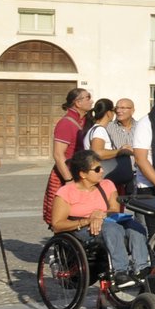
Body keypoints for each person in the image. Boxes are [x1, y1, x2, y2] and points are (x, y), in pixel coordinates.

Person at [50, 149, 150, 283]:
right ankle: (120, 271)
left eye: (101, 167)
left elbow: (114, 208)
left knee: (135, 227)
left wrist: (100, 215)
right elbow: (57, 225)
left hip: (107, 221)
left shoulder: (107, 185)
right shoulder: (66, 192)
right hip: (81, 230)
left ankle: (142, 269)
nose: (102, 171)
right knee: (112, 229)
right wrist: (88, 220)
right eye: (97, 169)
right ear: (83, 174)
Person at [42, 87, 91, 226]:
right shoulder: (66, 123)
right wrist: (68, 180)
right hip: (66, 175)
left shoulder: (83, 121)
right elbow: (58, 155)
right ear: (78, 102)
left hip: (79, 174)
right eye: (88, 98)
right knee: (62, 216)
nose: (91, 101)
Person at [83, 99, 132, 190]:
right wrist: (121, 151)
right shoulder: (99, 130)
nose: (116, 112)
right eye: (114, 110)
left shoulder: (94, 129)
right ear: (109, 113)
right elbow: (97, 153)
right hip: (102, 178)